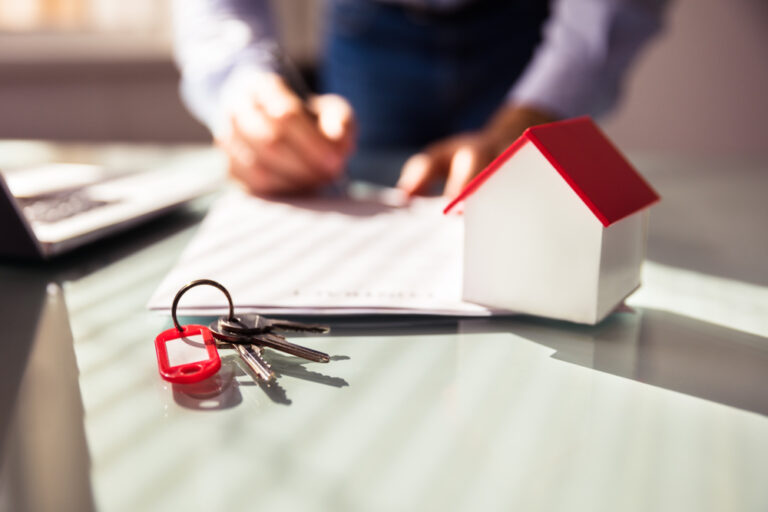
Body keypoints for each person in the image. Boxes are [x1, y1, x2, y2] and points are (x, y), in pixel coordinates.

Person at [173, 0, 666, 197]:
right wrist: (243, 88)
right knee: (348, 218)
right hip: (369, 25)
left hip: (527, 26)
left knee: (518, 229)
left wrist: (541, 106)